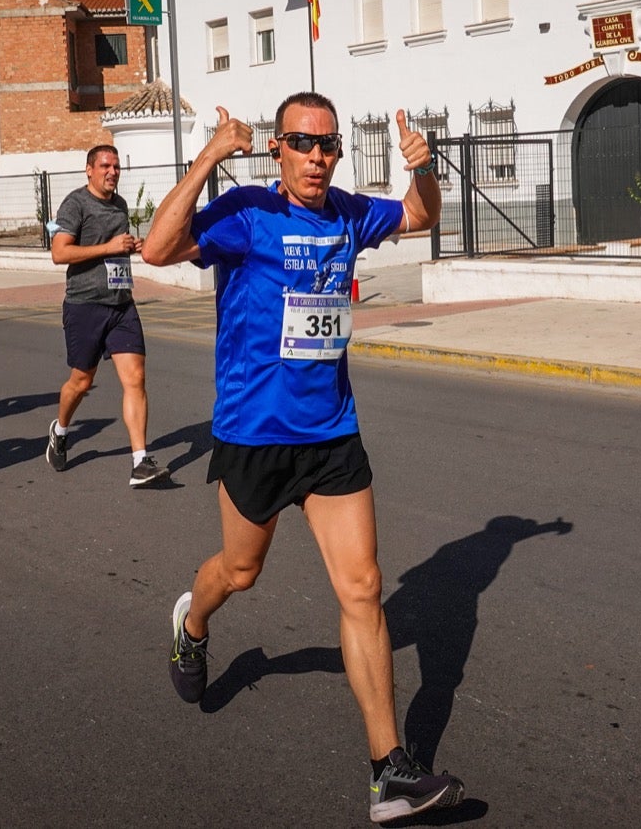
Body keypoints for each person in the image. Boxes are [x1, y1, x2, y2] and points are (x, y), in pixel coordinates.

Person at [142, 92, 460, 824]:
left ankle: (390, 773)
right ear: (278, 150)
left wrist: (425, 171)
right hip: (254, 436)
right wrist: (211, 157)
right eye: (302, 143)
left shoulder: (350, 212)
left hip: (331, 436)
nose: (317, 157)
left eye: (329, 145)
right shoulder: (248, 211)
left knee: (363, 588)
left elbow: (422, 216)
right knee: (240, 571)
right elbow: (157, 249)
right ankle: (193, 626)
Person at [43, 144, 165, 487]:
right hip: (85, 304)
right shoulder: (75, 203)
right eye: (105, 166)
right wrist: (109, 248)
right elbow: (59, 252)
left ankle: (140, 461)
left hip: (121, 304)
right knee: (81, 382)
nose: (112, 172)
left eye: (116, 167)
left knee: (136, 378)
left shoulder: (122, 206)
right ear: (89, 170)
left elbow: (116, 249)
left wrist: (130, 246)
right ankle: (61, 429)